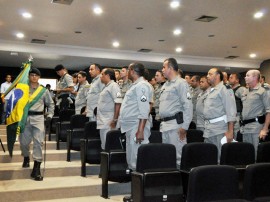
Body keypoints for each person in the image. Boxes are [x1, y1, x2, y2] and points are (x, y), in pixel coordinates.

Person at [20, 68, 54, 181]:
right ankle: (25, 156)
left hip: (39, 118)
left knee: (38, 143)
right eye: (32, 75)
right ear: (29, 76)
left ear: (39, 77)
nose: (34, 77)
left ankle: (36, 168)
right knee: (24, 143)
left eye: (36, 75)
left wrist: (49, 116)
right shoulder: (23, 89)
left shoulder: (43, 91)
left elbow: (51, 104)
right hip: (25, 118)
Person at [159, 58, 193, 167]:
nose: (162, 70)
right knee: (166, 156)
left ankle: (180, 182)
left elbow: (188, 106)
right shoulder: (165, 85)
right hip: (165, 125)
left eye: (164, 67)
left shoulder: (181, 83)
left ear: (171, 68)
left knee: (178, 157)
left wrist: (185, 127)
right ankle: (169, 182)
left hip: (176, 126)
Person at [119, 62, 152, 171]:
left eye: (128, 70)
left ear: (132, 71)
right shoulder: (135, 85)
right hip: (130, 126)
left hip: (137, 126)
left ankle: (141, 184)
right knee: (131, 157)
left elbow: (144, 109)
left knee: (137, 157)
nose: (128, 72)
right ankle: (135, 183)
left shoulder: (142, 86)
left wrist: (140, 130)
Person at [204, 68, 236, 158]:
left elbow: (231, 111)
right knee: (209, 157)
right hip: (208, 129)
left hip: (220, 130)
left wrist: (230, 132)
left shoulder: (225, 88)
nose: (207, 76)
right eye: (207, 74)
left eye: (210, 74)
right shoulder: (210, 90)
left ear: (218, 75)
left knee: (219, 157)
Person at [241, 70, 270, 154]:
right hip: (245, 128)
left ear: (255, 77)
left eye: (247, 75)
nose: (245, 77)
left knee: (256, 153)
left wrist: (265, 129)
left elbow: (268, 111)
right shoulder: (245, 91)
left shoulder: (263, 91)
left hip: (256, 128)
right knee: (247, 153)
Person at [97, 68, 121, 149]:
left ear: (107, 75)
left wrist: (114, 120)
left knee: (109, 145)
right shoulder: (106, 86)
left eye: (102, 74)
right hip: (103, 120)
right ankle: (105, 160)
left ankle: (108, 161)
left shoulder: (114, 86)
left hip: (109, 120)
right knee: (104, 144)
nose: (100, 76)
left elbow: (118, 103)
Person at [228, 73, 246, 139]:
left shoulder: (241, 89)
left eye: (231, 77)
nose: (229, 79)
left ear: (237, 80)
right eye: (229, 77)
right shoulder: (229, 89)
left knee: (236, 135)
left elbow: (245, 103)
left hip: (237, 116)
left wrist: (242, 117)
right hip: (229, 116)